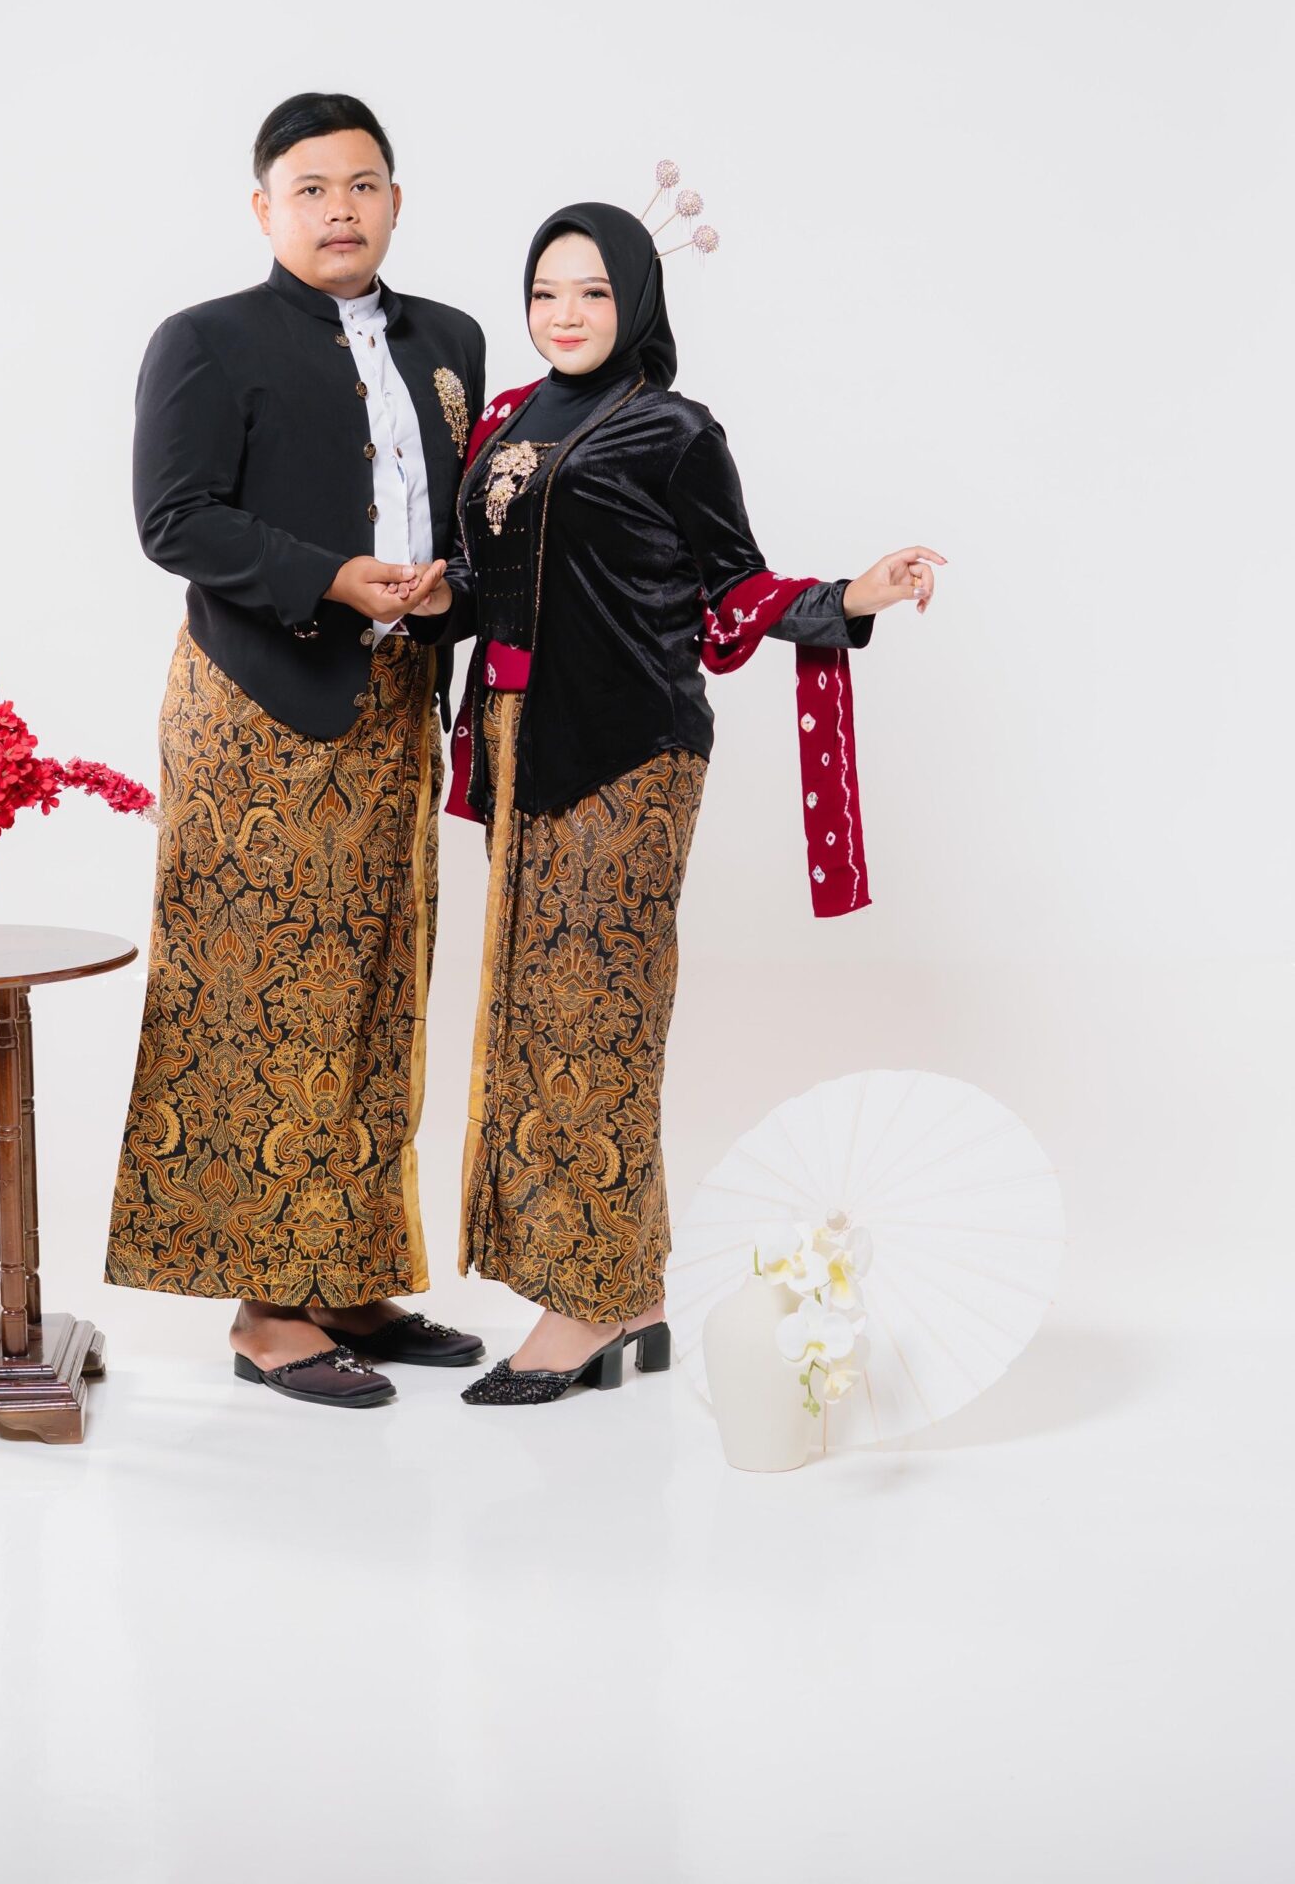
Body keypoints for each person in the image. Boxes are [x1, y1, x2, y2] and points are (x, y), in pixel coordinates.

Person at [405, 201, 942, 1407]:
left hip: (627, 753)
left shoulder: (673, 429)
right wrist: (426, 594)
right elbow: (488, 573)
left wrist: (849, 593)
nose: (564, 314)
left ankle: (584, 1303)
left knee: (596, 1016)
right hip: (517, 744)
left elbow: (729, 588)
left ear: (638, 300)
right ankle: (631, 1291)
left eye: (593, 292)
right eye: (545, 291)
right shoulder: (506, 417)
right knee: (533, 1016)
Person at [105, 94, 488, 1407]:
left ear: (396, 200)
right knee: (258, 992)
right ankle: (269, 1314)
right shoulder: (207, 339)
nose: (340, 209)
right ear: (264, 206)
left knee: (378, 986)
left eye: (363, 184)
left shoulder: (449, 339)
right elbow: (173, 517)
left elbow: (465, 517)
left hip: (396, 705)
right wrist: (330, 575)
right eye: (311, 188)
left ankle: (348, 1278)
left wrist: (448, 590)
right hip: (255, 704)